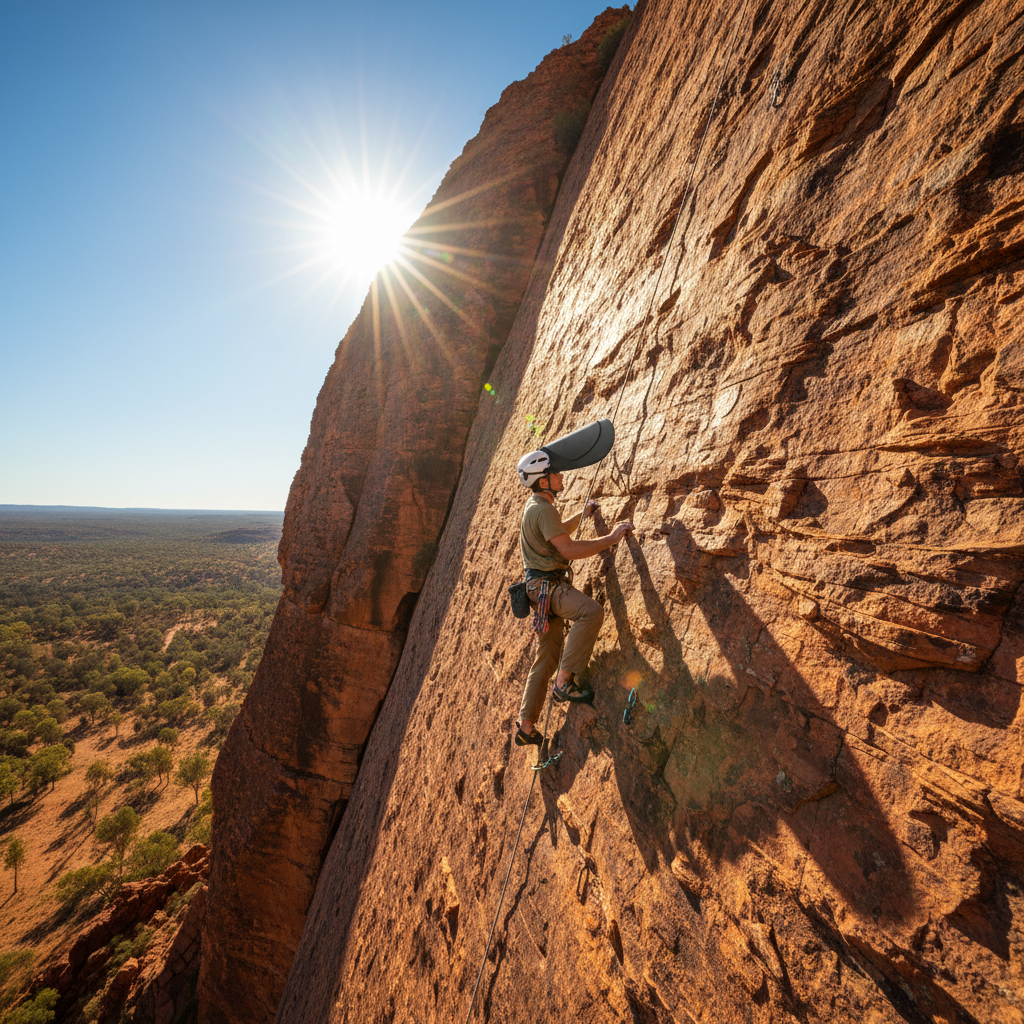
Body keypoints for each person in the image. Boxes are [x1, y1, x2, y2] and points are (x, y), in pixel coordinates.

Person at [514, 449, 634, 747]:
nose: (560, 475)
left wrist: (583, 515)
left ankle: (526, 726)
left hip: (539, 592)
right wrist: (610, 539)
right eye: (554, 473)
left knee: (546, 657)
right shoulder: (543, 509)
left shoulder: (536, 506)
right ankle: (564, 682)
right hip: (548, 588)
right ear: (543, 481)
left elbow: (555, 533)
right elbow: (567, 549)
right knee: (590, 612)